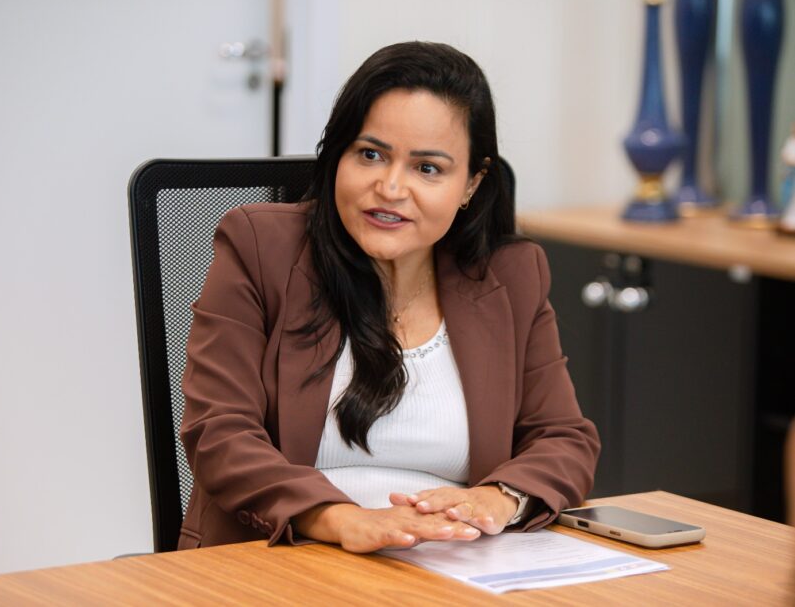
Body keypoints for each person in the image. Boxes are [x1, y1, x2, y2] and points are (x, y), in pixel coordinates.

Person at [178, 41, 600, 553]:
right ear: (338, 155)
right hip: (284, 557)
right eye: (371, 154)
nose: (391, 187)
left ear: (471, 184)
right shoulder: (260, 246)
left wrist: (497, 499)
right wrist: (341, 520)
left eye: (428, 168)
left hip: (450, 565)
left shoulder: (510, 275)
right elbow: (219, 431)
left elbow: (564, 438)